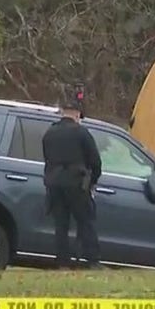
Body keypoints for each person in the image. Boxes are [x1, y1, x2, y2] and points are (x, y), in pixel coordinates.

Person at [42, 94, 104, 270]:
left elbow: (47, 158)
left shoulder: (49, 132)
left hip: (54, 183)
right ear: (77, 114)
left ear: (62, 112)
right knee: (86, 221)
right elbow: (95, 161)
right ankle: (92, 261)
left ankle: (63, 263)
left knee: (61, 224)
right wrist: (92, 181)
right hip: (76, 183)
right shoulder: (81, 132)